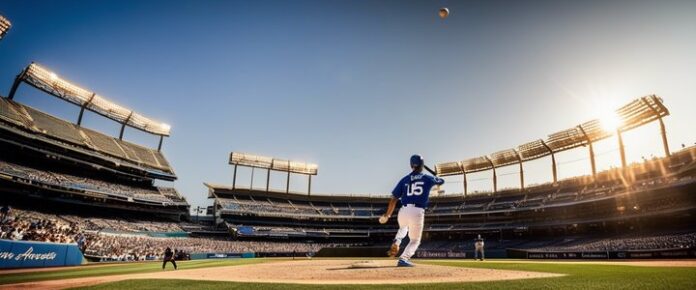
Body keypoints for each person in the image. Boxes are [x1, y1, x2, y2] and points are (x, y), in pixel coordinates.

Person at [380, 154, 444, 267]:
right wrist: (437, 176)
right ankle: (403, 258)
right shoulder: (427, 178)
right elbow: (441, 181)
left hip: (403, 210)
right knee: (415, 240)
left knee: (403, 227)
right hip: (417, 211)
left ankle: (397, 241)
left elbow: (393, 198)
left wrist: (388, 215)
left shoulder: (404, 179)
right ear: (422, 165)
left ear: (411, 165)